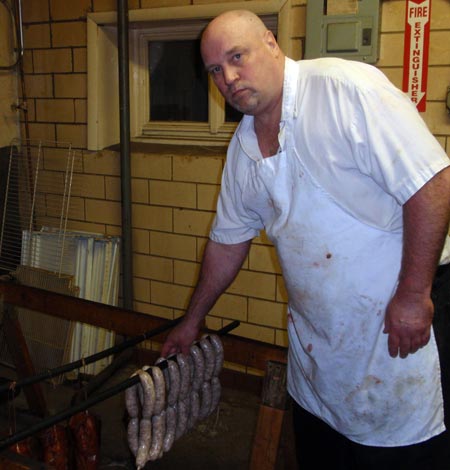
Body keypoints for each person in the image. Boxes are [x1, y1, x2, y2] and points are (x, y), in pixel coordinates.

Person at [161, 9, 450, 469]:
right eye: (215, 69)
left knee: (404, 452)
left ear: (272, 44)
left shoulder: (345, 90)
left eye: (238, 56)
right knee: (323, 451)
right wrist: (192, 320)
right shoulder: (243, 148)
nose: (228, 77)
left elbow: (431, 183)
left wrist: (414, 295)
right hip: (321, 351)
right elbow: (226, 243)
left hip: (401, 326)